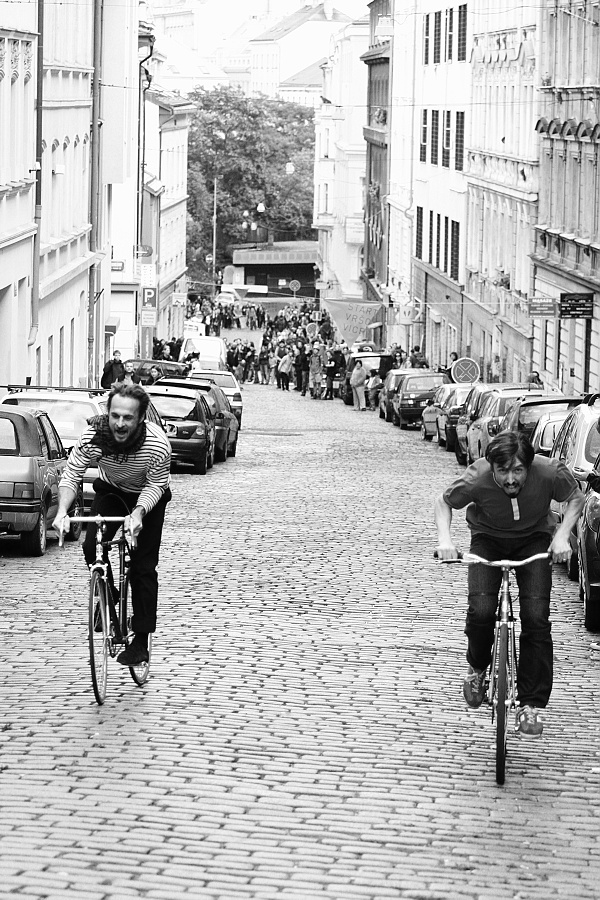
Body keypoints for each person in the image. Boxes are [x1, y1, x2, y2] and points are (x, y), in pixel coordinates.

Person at [434, 431, 583, 738]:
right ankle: (477, 668)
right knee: (481, 610)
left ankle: (530, 705)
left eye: (518, 470)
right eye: (503, 471)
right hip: (487, 539)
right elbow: (444, 502)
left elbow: (576, 498)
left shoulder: (549, 472)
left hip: (534, 540)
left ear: (529, 466)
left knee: (536, 618)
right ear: (492, 467)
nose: (511, 479)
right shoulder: (477, 477)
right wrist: (445, 540)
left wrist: (561, 535)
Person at [53, 383, 173, 666]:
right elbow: (72, 475)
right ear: (108, 412)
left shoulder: (157, 444)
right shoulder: (92, 438)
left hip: (149, 495)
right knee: (91, 547)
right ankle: (109, 595)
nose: (120, 423)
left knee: (143, 567)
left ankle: (140, 642)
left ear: (141, 418)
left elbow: (156, 485)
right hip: (110, 491)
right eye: (115, 415)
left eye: (128, 417)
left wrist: (138, 514)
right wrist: (61, 512)